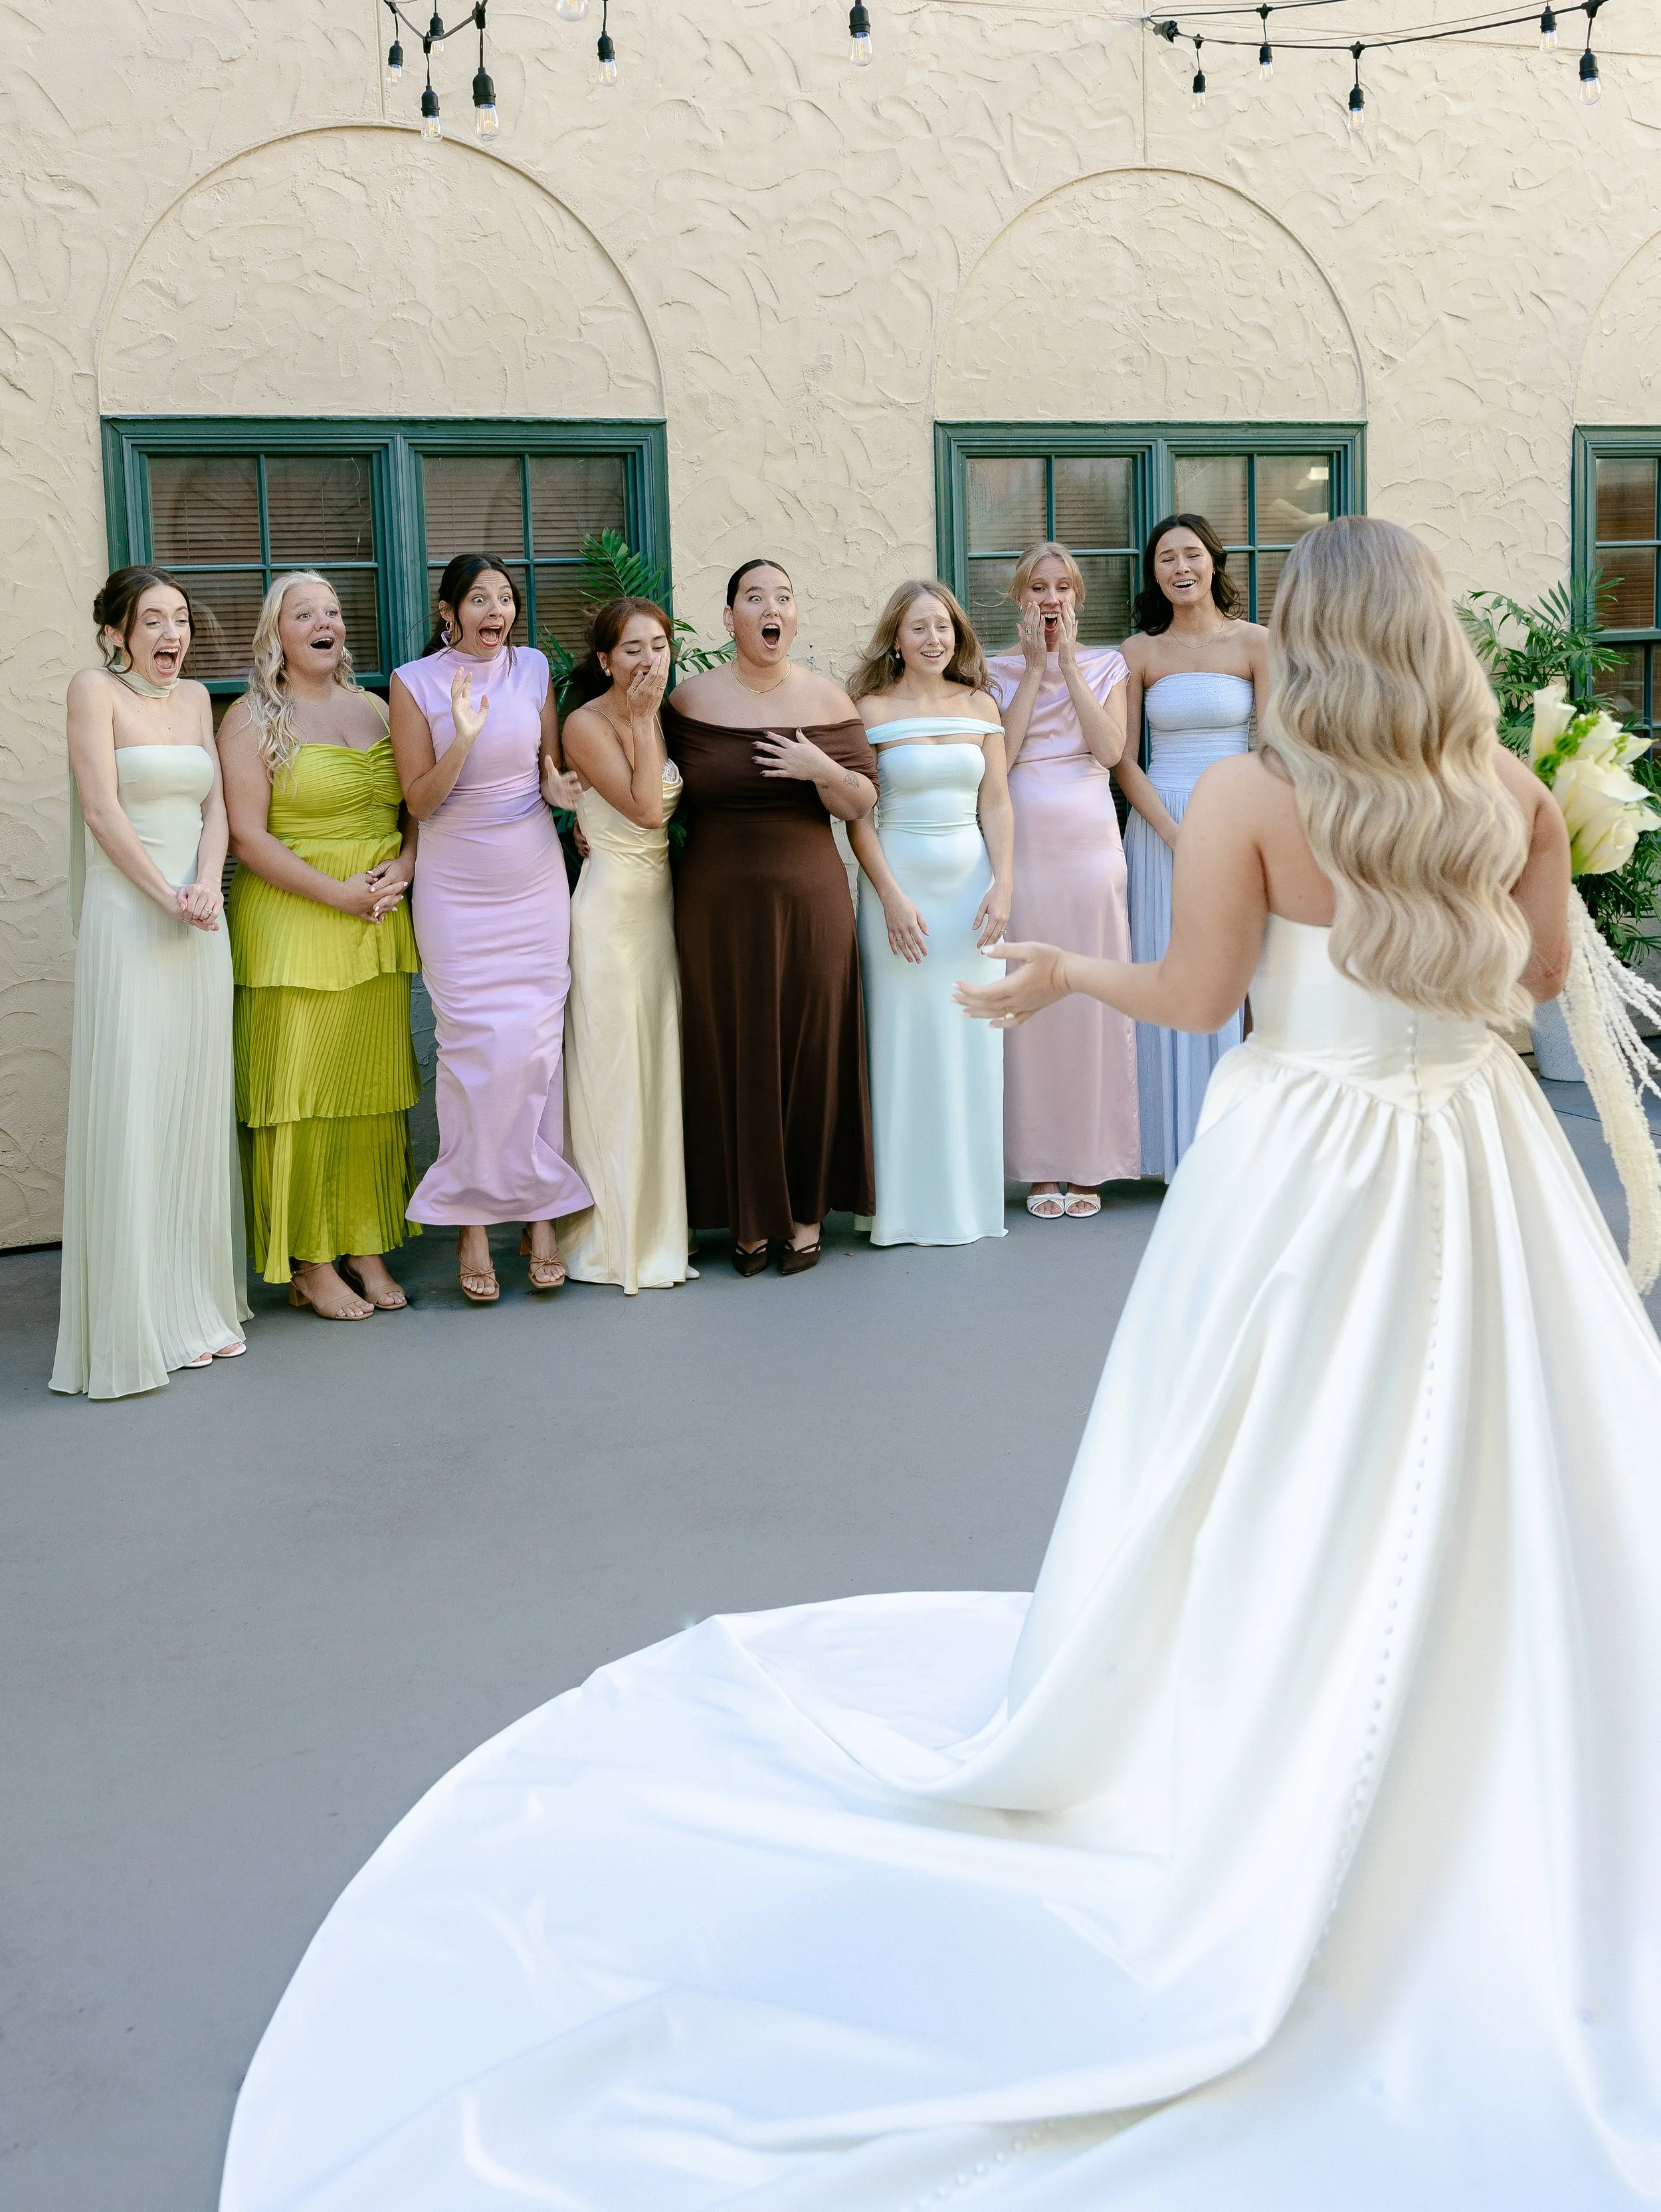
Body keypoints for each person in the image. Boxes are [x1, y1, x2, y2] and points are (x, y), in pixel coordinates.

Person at [227, 518, 1661, 2212]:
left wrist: (1065, 969)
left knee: (1276, 1459)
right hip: (1478, 1164)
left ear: (1316, 643)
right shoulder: (1505, 794)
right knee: (1508, 1446)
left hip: (1313, 1170)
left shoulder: (1261, 805)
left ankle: (1281, 1709)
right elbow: (1548, 978)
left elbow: (1199, 997)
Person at [52, 567, 247, 1398]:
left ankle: (196, 1304)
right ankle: (140, 1320)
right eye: (154, 621)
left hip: (200, 921)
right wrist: (166, 895)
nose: (173, 635)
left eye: (180, 620)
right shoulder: (91, 690)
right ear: (116, 633)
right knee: (136, 1104)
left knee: (191, 1105)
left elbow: (218, 811)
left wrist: (206, 886)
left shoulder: (199, 699)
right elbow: (102, 811)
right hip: (132, 918)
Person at [664, 559, 878, 1274]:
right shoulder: (689, 703)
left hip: (810, 902)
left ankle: (804, 1213)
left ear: (794, 616)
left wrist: (820, 769)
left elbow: (859, 805)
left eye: (782, 596)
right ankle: (747, 1219)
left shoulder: (828, 700)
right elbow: (650, 786)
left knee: (810, 1047)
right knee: (728, 1046)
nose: (770, 606)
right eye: (754, 596)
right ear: (729, 618)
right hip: (714, 907)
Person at [219, 573, 420, 1322]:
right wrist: (341, 895)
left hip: (376, 922)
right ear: (277, 633)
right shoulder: (249, 720)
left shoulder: (374, 708)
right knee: (301, 1096)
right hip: (297, 920)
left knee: (366, 1092)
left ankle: (364, 1242)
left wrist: (404, 865)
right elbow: (247, 836)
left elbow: (415, 805)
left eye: (332, 611)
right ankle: (308, 1259)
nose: (323, 622)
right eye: (305, 613)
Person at [389, 555, 589, 1303]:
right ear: (449, 612)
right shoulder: (413, 684)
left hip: (532, 876)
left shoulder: (533, 668)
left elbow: (548, 769)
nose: (496, 611)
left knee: (535, 1046)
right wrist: (463, 739)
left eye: (505, 598)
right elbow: (420, 801)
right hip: (456, 886)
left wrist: (561, 789)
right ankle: (471, 1221)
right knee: (472, 1050)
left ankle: (539, 1213)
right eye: (480, 599)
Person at [846, 579, 1013, 1246]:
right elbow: (859, 815)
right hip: (899, 890)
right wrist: (888, 896)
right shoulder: (868, 710)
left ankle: (969, 1206)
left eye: (942, 626)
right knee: (902, 1038)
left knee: (971, 1034)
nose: (933, 638)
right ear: (896, 637)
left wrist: (1004, 885)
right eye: (918, 628)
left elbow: (996, 803)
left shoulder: (980, 705)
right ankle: (901, 1210)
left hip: (972, 892)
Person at [1116, 513, 1271, 1179]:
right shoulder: (1139, 653)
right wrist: (1176, 834)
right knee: (1164, 969)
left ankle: (1231, 1149)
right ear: (1154, 574)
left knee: (1238, 979)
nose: (1180, 568)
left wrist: (1235, 833)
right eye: (1166, 560)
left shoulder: (1259, 644)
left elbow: (1274, 751)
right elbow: (1122, 761)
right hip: (1159, 828)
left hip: (1236, 818)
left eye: (1190, 555)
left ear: (1213, 563)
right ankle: (1164, 1151)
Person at [985, 542, 1137, 1218]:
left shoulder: (1110, 665)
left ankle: (1093, 1162)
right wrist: (1033, 670)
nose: (1050, 598)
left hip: (1089, 849)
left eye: (1062, 587)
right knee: (1031, 998)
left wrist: (1068, 666)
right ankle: (1039, 1163)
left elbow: (1110, 752)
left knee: (1091, 996)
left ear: (1078, 599)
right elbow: (1006, 753)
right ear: (1020, 599)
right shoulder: (993, 672)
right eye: (1037, 587)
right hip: (1028, 851)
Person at [556, 598, 694, 1294]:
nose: (649, 659)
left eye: (660, 645)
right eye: (633, 648)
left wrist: (651, 721)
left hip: (659, 914)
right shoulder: (587, 724)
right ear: (605, 660)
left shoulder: (666, 718)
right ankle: (608, 1241)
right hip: (608, 919)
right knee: (612, 1072)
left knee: (654, 1065)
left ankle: (658, 1230)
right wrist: (641, 720)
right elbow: (644, 813)